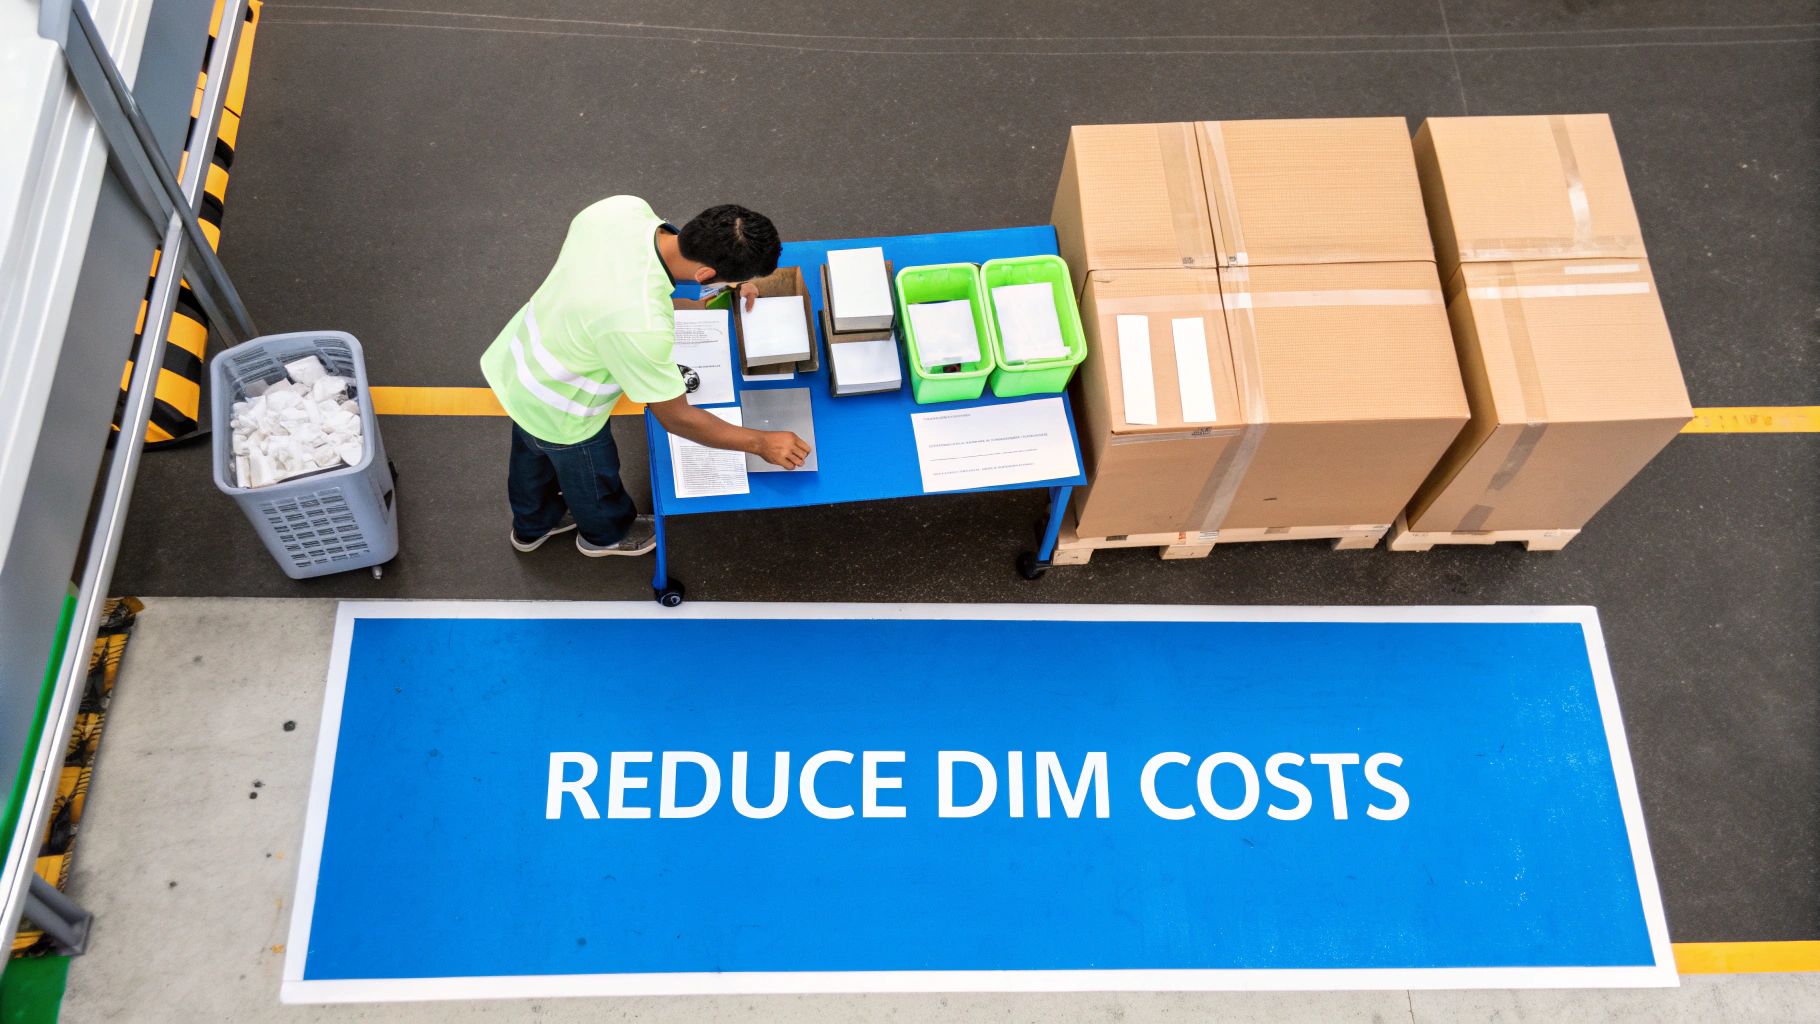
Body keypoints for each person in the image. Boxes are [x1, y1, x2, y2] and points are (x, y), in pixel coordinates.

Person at [480, 198, 811, 557]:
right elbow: (678, 418)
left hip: (520, 362)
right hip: (564, 406)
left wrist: (720, 289)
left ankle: (533, 524)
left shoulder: (619, 211)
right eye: (738, 279)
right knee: (592, 475)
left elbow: (622, 281)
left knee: (532, 453)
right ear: (706, 274)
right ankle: (606, 535)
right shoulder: (640, 326)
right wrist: (761, 443)